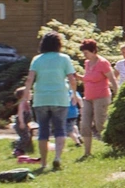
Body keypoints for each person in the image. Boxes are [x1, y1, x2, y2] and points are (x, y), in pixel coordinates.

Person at [22, 33, 77, 171]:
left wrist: (25, 97)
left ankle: (43, 163)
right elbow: (72, 78)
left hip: (41, 99)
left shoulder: (37, 59)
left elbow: (29, 79)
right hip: (59, 98)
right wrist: (74, 94)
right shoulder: (64, 58)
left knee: (43, 131)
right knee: (60, 129)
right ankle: (57, 157)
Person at [78, 39, 118, 158]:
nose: (84, 55)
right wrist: (76, 76)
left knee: (100, 124)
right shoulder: (87, 63)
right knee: (85, 124)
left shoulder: (103, 63)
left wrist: (118, 93)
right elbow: (87, 79)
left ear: (94, 51)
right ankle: (87, 153)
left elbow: (112, 80)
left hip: (101, 97)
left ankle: (114, 146)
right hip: (88, 97)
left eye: (86, 53)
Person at [11, 87, 33, 157]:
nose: (31, 94)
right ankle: (17, 150)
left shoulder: (27, 103)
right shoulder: (22, 103)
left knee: (27, 137)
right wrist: (22, 122)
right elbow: (20, 114)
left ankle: (21, 150)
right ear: (23, 95)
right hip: (20, 123)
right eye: (29, 93)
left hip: (25, 123)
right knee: (25, 137)